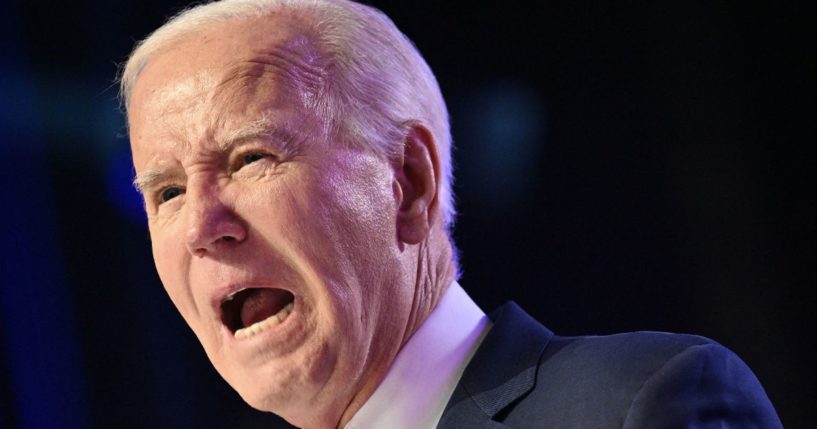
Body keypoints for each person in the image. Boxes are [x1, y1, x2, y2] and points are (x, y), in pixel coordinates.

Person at [120, 0, 783, 427]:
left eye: (249, 158)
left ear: (407, 182)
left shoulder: (636, 403)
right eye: (167, 192)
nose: (203, 227)